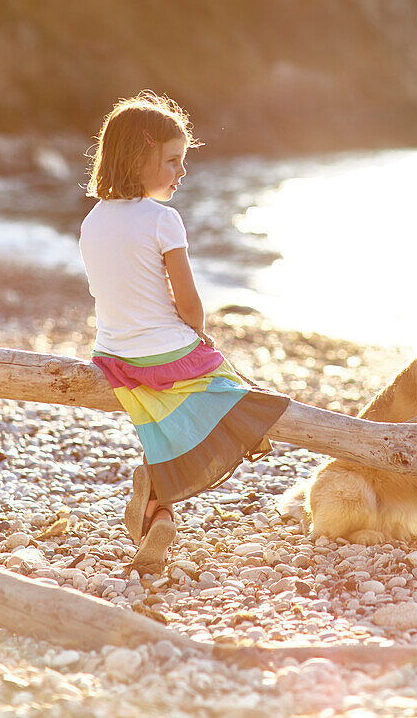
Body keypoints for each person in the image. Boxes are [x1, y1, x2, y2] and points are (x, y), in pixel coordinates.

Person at [79, 91, 289, 573]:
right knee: (233, 388)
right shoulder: (163, 220)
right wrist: (199, 336)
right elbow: (191, 307)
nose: (182, 171)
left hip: (112, 358)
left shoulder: (91, 223)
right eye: (172, 160)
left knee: (156, 423)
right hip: (163, 354)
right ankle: (228, 441)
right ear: (138, 157)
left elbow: (107, 292)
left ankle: (157, 509)